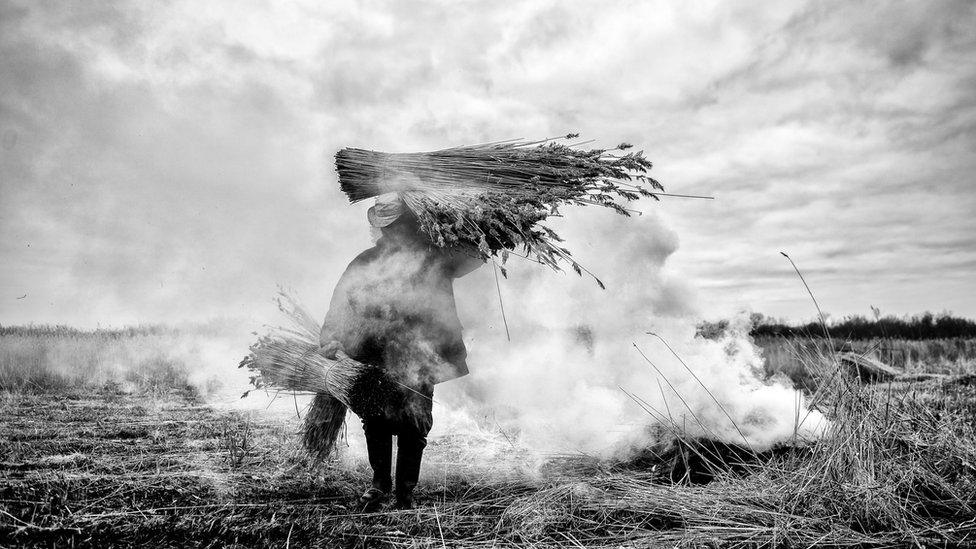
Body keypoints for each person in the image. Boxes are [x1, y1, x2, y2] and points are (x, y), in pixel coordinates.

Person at [318, 193, 483, 511]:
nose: (395, 233)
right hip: (375, 350)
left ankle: (404, 493)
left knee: (414, 418)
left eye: (399, 226)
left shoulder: (434, 258)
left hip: (421, 351)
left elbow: (474, 255)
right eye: (392, 228)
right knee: (375, 416)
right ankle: (380, 487)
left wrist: (481, 231)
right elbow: (340, 302)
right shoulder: (367, 262)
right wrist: (331, 336)